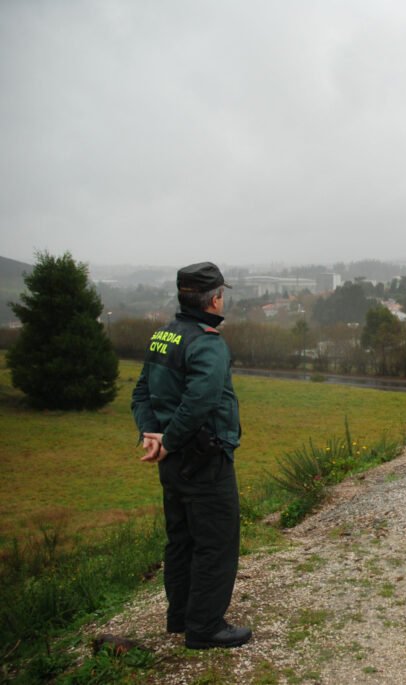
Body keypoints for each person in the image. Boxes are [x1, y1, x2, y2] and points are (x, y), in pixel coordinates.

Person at [131, 262, 252, 648]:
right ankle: (205, 628)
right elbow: (200, 402)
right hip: (205, 460)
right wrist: (168, 441)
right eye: (222, 295)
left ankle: (181, 617)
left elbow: (141, 394)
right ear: (215, 298)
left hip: (172, 464)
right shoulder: (207, 343)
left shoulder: (163, 336)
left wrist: (152, 435)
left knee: (181, 540)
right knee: (216, 542)